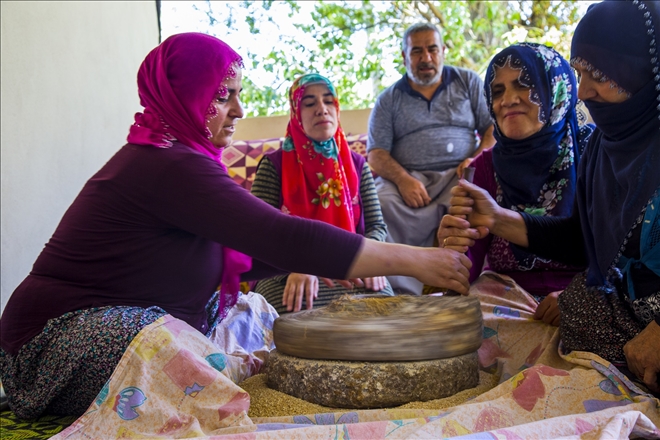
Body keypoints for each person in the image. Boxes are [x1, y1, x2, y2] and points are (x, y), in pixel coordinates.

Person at [0, 32, 472, 420]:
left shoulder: (182, 158)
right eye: (223, 96)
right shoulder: (165, 163)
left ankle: (217, 369)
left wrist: (321, 263)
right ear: (184, 96)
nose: (240, 110)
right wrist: (419, 259)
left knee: (251, 313)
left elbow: (255, 253)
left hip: (135, 321)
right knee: (159, 337)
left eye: (239, 95)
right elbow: (280, 236)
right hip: (47, 347)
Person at [445, 0, 660, 393]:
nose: (584, 90)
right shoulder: (607, 150)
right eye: (579, 74)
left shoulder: (589, 145)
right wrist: (490, 220)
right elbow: (581, 239)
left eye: (596, 72)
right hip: (608, 307)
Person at [438, 43, 593, 326]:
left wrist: (581, 297)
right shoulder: (482, 168)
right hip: (504, 302)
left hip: (584, 298)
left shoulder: (594, 151)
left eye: (524, 84)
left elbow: (617, 254)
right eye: (497, 91)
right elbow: (466, 267)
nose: (507, 100)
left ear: (556, 90)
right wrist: (454, 250)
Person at [367, 22, 496, 295]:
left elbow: (492, 129)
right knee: (380, 203)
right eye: (416, 51)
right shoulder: (388, 99)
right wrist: (403, 180)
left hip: (461, 173)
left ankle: (460, 285)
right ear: (404, 56)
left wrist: (476, 158)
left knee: (476, 201)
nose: (425, 58)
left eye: (432, 49)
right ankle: (398, 295)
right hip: (409, 178)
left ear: (443, 51)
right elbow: (376, 154)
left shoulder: (468, 81)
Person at [251, 74, 393, 314]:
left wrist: (371, 259)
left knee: (388, 316)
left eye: (329, 102)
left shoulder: (358, 165)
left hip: (354, 266)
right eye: (309, 103)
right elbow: (257, 235)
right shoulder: (273, 165)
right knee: (291, 323)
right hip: (288, 274)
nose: (321, 109)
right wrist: (297, 266)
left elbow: (377, 227)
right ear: (296, 112)